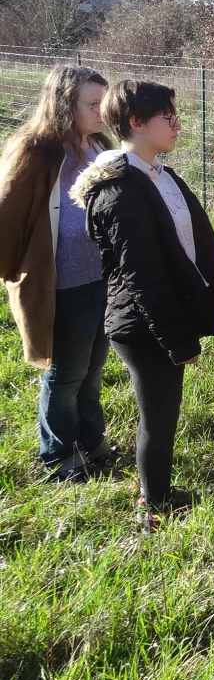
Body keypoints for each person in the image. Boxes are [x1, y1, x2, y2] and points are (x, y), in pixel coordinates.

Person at [70, 80, 214, 532]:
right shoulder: (120, 191)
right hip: (141, 324)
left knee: (165, 411)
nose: (177, 123)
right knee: (158, 416)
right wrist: (178, 341)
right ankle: (155, 504)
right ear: (136, 122)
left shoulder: (160, 175)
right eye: (168, 116)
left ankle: (156, 491)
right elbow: (143, 278)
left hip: (161, 314)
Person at [0, 65, 119, 482]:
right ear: (65, 105)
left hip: (103, 280)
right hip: (62, 285)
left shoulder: (100, 147)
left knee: (93, 369)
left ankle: (92, 442)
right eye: (92, 104)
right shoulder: (37, 152)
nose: (102, 111)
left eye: (104, 102)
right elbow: (8, 214)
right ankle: (59, 455)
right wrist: (16, 271)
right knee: (67, 372)